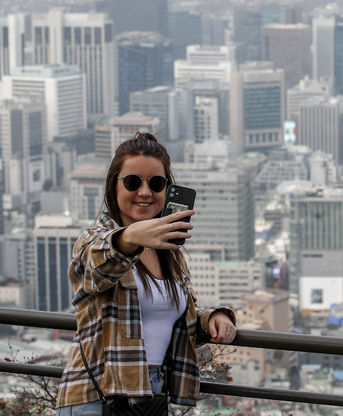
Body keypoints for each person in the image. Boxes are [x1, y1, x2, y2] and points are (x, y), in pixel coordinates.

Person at [56, 132, 237, 415]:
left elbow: (170, 318)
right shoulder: (94, 240)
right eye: (132, 182)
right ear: (113, 187)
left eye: (156, 183)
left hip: (149, 392)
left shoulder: (170, 253)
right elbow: (97, 269)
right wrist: (129, 237)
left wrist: (213, 317)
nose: (144, 192)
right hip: (96, 396)